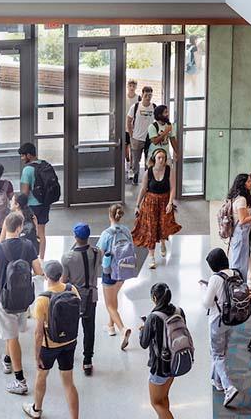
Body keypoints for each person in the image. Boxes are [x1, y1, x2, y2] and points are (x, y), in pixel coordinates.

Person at [0, 211, 44, 396]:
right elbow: (39, 271)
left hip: (3, 300)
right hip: (24, 299)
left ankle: (20, 381)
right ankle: (8, 358)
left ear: (5, 227)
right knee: (13, 334)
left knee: (12, 337)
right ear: (19, 228)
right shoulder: (28, 246)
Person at [22, 260, 81, 419]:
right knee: (69, 383)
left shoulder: (42, 300)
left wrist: (36, 355)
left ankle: (36, 410)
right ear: (61, 275)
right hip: (69, 342)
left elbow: (38, 333)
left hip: (49, 346)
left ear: (46, 276)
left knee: (41, 376)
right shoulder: (72, 289)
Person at [61, 223, 102, 376]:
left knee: (71, 326)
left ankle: (68, 354)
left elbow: (64, 280)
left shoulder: (68, 257)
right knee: (89, 328)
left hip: (74, 296)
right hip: (91, 295)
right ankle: (87, 360)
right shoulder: (97, 253)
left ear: (75, 237)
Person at [201, 248, 240, 407]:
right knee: (221, 351)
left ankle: (228, 387)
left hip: (217, 321)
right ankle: (216, 380)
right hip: (231, 319)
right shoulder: (235, 273)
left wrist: (203, 289)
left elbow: (207, 303)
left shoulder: (215, 279)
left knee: (217, 354)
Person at [139, 283, 184, 419]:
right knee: (163, 398)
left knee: (156, 402)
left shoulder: (153, 317)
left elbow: (144, 343)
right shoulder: (179, 311)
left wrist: (142, 330)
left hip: (160, 366)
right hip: (175, 362)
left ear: (154, 297)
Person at [133, 149, 181, 270]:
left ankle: (163, 242)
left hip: (164, 202)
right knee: (151, 229)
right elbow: (143, 189)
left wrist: (170, 203)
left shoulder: (169, 171)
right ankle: (151, 257)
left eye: (163, 158)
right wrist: (137, 205)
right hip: (150, 203)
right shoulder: (148, 172)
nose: (161, 160)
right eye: (159, 158)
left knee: (163, 226)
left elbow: (173, 188)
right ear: (154, 159)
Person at [97, 204, 132, 344]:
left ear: (109, 215)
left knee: (109, 305)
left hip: (110, 272)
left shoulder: (106, 234)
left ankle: (122, 329)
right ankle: (110, 326)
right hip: (123, 271)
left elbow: (100, 252)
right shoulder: (126, 231)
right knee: (114, 297)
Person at [19, 142, 54, 261]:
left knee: (31, 234)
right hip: (44, 204)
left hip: (32, 206)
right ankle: (42, 260)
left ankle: (33, 260)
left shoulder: (27, 170)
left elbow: (25, 193)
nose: (22, 158)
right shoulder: (45, 165)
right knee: (42, 233)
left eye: (23, 155)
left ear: (29, 155)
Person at [127, 85, 156, 184]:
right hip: (137, 139)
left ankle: (147, 178)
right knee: (135, 160)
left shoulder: (154, 107)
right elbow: (129, 120)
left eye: (150, 95)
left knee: (149, 160)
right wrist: (131, 134)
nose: (148, 97)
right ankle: (135, 175)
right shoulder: (135, 107)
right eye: (146, 95)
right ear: (142, 95)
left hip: (149, 139)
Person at [124, 79, 139, 178]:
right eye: (130, 85)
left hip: (135, 129)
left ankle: (131, 168)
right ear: (127, 86)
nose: (132, 88)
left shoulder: (139, 98)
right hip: (124, 127)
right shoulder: (124, 98)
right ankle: (127, 163)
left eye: (134, 86)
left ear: (136, 87)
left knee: (133, 149)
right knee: (126, 148)